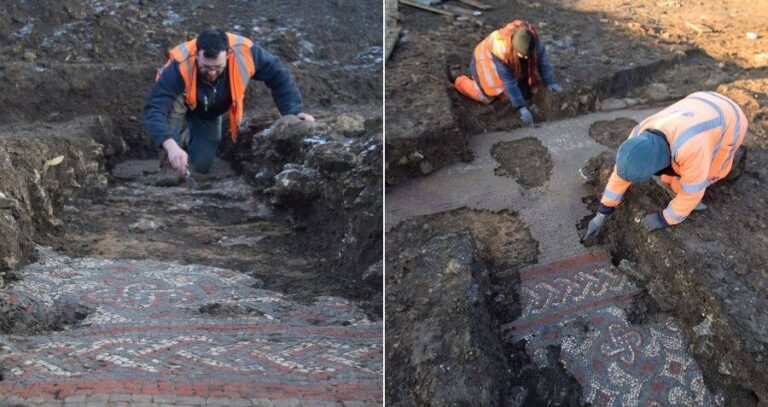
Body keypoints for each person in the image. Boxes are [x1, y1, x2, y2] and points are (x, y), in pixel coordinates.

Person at [144, 28, 314, 176]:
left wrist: (294, 112)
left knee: (201, 166)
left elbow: (278, 75)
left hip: (208, 108)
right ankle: (171, 162)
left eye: (217, 67)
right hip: (178, 100)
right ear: (197, 56)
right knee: (174, 160)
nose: (211, 73)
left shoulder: (245, 52)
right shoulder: (179, 64)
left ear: (228, 55)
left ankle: (187, 138)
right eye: (205, 67)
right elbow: (155, 109)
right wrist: (171, 145)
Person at [585, 91, 748, 236]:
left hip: (730, 117)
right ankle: (676, 179)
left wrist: (664, 218)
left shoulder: (692, 149)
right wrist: (601, 215)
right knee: (674, 177)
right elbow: (620, 177)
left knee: (711, 172)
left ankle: (737, 160)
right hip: (699, 101)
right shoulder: (637, 136)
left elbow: (692, 191)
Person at [452, 20, 562, 126]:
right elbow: (508, 81)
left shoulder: (533, 41)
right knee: (486, 96)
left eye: (527, 55)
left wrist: (550, 82)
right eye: (522, 55)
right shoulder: (501, 51)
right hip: (484, 60)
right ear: (514, 48)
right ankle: (459, 79)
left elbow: (543, 61)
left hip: (511, 60)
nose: (526, 57)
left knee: (524, 90)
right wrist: (521, 107)